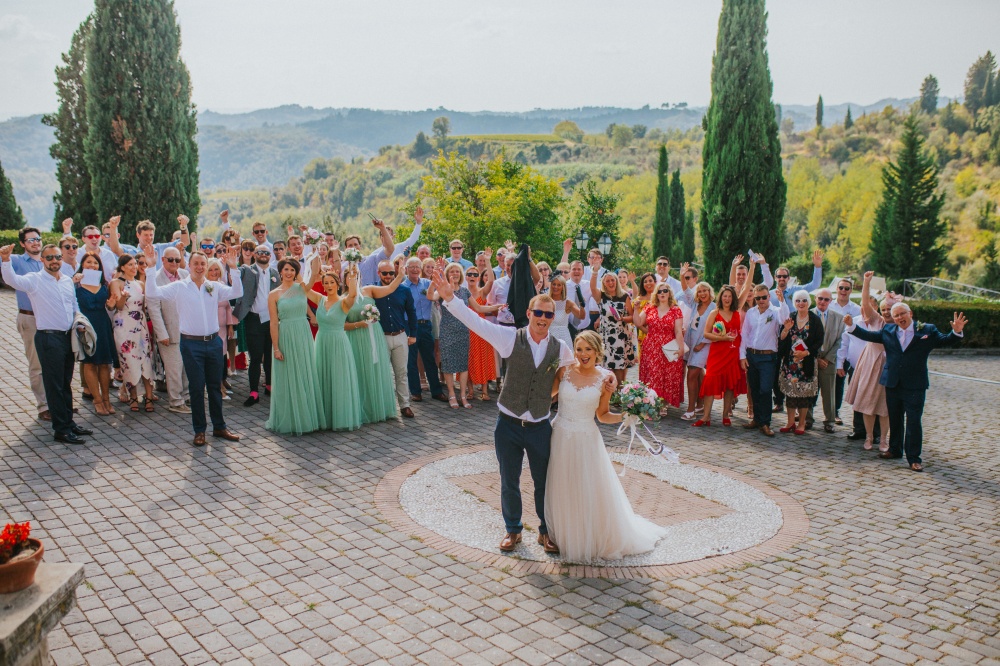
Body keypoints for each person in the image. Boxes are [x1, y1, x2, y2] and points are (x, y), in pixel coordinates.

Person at [432, 270, 575, 555]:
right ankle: (513, 530)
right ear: (529, 312)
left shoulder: (562, 349)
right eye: (538, 313)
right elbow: (476, 323)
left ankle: (546, 532)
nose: (543, 319)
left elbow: (579, 373)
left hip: (539, 425)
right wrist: (451, 300)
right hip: (508, 424)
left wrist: (605, 378)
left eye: (548, 315)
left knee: (543, 482)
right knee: (509, 480)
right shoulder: (511, 337)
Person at [544, 330, 666, 562]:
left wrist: (627, 416)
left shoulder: (605, 379)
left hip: (586, 439)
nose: (583, 354)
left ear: (597, 351)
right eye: (579, 349)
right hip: (559, 435)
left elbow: (602, 415)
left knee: (587, 488)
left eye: (588, 349)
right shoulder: (565, 371)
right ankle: (561, 533)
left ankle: (587, 535)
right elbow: (546, 396)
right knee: (562, 485)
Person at [846, 303, 966, 472]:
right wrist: (851, 325)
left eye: (903, 314)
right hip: (892, 382)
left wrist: (956, 331)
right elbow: (868, 335)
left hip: (915, 384)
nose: (900, 318)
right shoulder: (888, 331)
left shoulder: (927, 330)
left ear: (910, 313)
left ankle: (914, 458)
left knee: (914, 421)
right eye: (896, 316)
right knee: (895, 418)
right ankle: (894, 449)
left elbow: (945, 340)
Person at [143, 245, 243, 446]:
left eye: (203, 264)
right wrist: (150, 268)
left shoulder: (213, 286)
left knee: (215, 387)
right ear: (188, 265)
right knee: (197, 389)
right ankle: (199, 431)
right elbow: (153, 294)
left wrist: (234, 268)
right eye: (196, 263)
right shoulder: (179, 286)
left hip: (214, 342)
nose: (199, 267)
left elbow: (236, 292)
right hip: (191, 344)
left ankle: (219, 427)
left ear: (207, 266)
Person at [1, 243, 93, 444]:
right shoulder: (34, 280)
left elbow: (72, 304)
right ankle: (61, 429)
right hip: (48, 338)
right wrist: (6, 260)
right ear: (42, 260)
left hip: (68, 336)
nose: (54, 261)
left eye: (57, 257)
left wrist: (78, 321)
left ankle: (69, 422)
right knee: (54, 385)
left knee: (66, 383)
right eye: (49, 258)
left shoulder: (67, 281)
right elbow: (12, 280)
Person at [264, 258, 326, 435]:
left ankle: (308, 415)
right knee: (290, 374)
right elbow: (274, 323)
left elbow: (314, 274)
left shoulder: (302, 288)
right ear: (280, 272)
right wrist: (276, 347)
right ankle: (291, 417)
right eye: (286, 269)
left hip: (303, 333)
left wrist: (315, 252)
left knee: (305, 371)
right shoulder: (273, 294)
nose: (289, 272)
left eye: (292, 269)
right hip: (286, 335)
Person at [429, 262, 499, 408]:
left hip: (463, 331)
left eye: (457, 271)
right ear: (447, 274)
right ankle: (452, 395)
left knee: (463, 365)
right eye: (452, 271)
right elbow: (430, 296)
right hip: (447, 331)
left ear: (460, 275)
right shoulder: (443, 290)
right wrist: (435, 279)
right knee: (448, 364)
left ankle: (463, 396)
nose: (455, 273)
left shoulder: (465, 292)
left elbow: (479, 307)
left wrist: (498, 307)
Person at [345, 257, 405, 424]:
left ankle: (379, 408)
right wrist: (358, 324)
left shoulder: (369, 290)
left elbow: (391, 288)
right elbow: (342, 323)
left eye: (356, 276)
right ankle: (360, 408)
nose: (353, 279)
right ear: (344, 279)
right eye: (350, 276)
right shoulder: (343, 298)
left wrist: (400, 275)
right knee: (358, 371)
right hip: (354, 338)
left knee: (376, 369)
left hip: (374, 335)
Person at [303, 267, 363, 431]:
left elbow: (353, 295)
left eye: (332, 282)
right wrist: (312, 269)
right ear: (322, 285)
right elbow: (304, 288)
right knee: (322, 375)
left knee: (338, 376)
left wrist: (352, 278)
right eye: (326, 283)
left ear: (337, 284)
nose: (329, 285)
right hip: (321, 341)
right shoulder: (320, 299)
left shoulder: (344, 302)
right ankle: (324, 416)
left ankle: (339, 417)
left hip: (338, 342)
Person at [695, 266, 754, 427]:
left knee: (729, 385)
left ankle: (725, 415)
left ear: (733, 298)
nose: (727, 299)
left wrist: (753, 266)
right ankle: (706, 417)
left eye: (729, 296)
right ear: (721, 298)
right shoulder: (715, 313)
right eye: (725, 296)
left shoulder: (737, 310)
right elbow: (706, 334)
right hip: (717, 353)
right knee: (711, 382)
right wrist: (722, 337)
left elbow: (747, 286)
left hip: (732, 354)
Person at [770, 251, 824, 412]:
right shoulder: (770, 295)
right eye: (779, 276)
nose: (781, 279)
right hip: (778, 335)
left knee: (799, 371)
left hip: (799, 333)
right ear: (775, 278)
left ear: (788, 278)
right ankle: (778, 400)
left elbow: (815, 284)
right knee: (777, 369)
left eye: (784, 276)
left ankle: (803, 408)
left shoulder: (797, 291)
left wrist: (817, 266)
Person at [844, 272, 893, 452]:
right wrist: (866, 282)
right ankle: (869, 436)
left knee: (884, 406)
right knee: (866, 402)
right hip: (871, 362)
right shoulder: (876, 321)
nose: (886, 312)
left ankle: (883, 440)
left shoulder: (899, 326)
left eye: (890, 309)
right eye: (884, 309)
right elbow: (865, 304)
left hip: (889, 367)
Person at [7, 227, 50, 420]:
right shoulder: (16, 261)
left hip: (51, 318)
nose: (35, 242)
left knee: (54, 362)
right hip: (30, 318)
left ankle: (57, 402)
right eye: (31, 240)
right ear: (23, 244)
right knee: (37, 364)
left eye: (38, 239)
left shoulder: (48, 261)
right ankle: (44, 407)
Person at [739, 284, 789, 437]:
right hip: (751, 355)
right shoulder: (751, 313)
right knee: (754, 389)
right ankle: (757, 419)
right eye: (758, 297)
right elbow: (745, 334)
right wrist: (742, 356)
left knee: (766, 390)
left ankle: (766, 423)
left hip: (768, 356)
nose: (761, 300)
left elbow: (784, 318)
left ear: (769, 296)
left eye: (764, 297)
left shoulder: (775, 311)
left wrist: (782, 301)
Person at [146, 247, 191, 414]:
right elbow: (153, 308)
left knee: (186, 366)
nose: (174, 263)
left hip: (188, 331)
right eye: (170, 260)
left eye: (177, 260)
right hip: (169, 332)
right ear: (163, 260)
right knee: (174, 369)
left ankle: (186, 396)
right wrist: (162, 333)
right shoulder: (156, 278)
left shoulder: (185, 275)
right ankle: (176, 401)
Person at [109, 254, 156, 413]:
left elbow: (143, 308)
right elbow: (119, 306)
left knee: (145, 360)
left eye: (135, 264)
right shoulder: (116, 283)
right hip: (124, 324)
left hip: (139, 324)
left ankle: (149, 396)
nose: (134, 267)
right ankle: (133, 396)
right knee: (128, 361)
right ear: (122, 267)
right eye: (130, 264)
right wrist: (123, 297)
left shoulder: (140, 284)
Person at [233, 245, 279, 407]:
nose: (263, 255)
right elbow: (236, 274)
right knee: (255, 357)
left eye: (266, 252)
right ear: (254, 254)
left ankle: (269, 385)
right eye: (260, 252)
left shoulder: (275, 273)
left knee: (270, 355)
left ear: (270, 255)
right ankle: (253, 392)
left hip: (272, 320)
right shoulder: (247, 270)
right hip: (253, 319)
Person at [72, 252, 117, 416]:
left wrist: (111, 305)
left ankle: (106, 399)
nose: (92, 265)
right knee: (90, 363)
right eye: (88, 262)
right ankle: (96, 400)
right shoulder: (75, 284)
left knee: (104, 363)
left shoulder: (104, 284)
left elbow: (110, 306)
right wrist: (72, 282)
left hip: (102, 324)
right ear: (82, 264)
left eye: (95, 263)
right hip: (85, 325)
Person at [374, 259, 418, 418]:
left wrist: (413, 334)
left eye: (391, 273)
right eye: (384, 273)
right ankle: (384, 406)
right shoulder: (373, 289)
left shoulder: (404, 290)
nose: (388, 276)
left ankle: (405, 405)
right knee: (382, 373)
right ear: (378, 273)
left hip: (400, 336)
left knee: (401, 372)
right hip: (380, 336)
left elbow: (412, 312)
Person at [777, 290, 824, 435]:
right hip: (791, 363)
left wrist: (807, 352)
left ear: (808, 302)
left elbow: (819, 340)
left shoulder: (815, 320)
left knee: (804, 395)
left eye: (804, 300)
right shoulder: (790, 317)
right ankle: (790, 422)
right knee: (790, 393)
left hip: (806, 362)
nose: (801, 303)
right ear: (794, 303)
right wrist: (786, 329)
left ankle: (802, 423)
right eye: (798, 301)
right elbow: (782, 338)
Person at [402, 257, 446, 404]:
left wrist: (440, 270)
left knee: (430, 359)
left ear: (421, 269)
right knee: (411, 360)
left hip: (426, 325)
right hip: (410, 326)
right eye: (412, 266)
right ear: (406, 269)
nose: (415, 269)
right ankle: (415, 392)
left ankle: (437, 391)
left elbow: (441, 288)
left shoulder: (427, 284)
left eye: (417, 267)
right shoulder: (402, 286)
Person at [635, 283, 686, 410]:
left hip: (669, 346)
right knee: (653, 374)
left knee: (667, 374)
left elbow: (678, 331)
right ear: (656, 294)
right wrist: (636, 309)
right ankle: (652, 402)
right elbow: (638, 322)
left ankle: (663, 404)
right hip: (651, 346)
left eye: (665, 291)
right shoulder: (649, 308)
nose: (662, 293)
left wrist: (680, 348)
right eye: (659, 291)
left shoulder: (676, 309)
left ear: (669, 293)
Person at [589, 268, 635, 384]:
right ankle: (608, 395)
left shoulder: (625, 296)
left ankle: (620, 394)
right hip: (606, 336)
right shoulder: (601, 296)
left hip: (620, 336)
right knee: (606, 367)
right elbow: (593, 287)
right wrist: (594, 271)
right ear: (604, 283)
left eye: (613, 280)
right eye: (607, 281)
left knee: (619, 367)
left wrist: (622, 318)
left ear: (616, 281)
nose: (610, 283)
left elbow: (632, 316)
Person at [810, 288, 845, 432]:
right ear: (815, 299)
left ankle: (829, 421)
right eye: (820, 298)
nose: (822, 302)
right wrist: (816, 358)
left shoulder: (838, 317)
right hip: (811, 359)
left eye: (826, 299)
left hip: (829, 360)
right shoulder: (808, 314)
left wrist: (828, 358)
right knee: (809, 390)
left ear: (831, 301)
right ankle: (807, 419)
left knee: (829, 392)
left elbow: (840, 340)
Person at [465, 265, 500, 401]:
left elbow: (491, 281)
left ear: (478, 278)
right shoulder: (462, 292)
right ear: (466, 277)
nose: (472, 277)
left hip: (481, 330)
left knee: (483, 358)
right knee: (469, 359)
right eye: (470, 274)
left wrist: (487, 261)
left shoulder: (482, 292)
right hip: (467, 330)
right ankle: (470, 390)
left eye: (475, 275)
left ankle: (485, 391)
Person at [830, 277, 862, 425]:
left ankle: (843, 414)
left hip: (849, 351)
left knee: (847, 383)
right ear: (837, 289)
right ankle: (829, 412)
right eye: (841, 288)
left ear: (851, 290)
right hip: (831, 348)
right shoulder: (829, 304)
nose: (843, 291)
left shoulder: (856, 309)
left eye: (847, 288)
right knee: (829, 383)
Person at [681, 281, 715, 421]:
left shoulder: (714, 308)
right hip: (690, 341)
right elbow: (686, 291)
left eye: (704, 291)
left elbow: (716, 328)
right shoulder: (695, 304)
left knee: (692, 374)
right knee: (699, 372)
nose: (702, 294)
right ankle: (700, 404)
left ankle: (690, 410)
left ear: (710, 291)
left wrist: (703, 343)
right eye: (699, 291)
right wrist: (683, 275)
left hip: (704, 345)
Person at [344, 214, 395, 286]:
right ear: (346, 249)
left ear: (360, 246)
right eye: (350, 245)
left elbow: (390, 249)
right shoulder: (343, 267)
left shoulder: (372, 260)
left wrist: (382, 228)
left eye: (355, 244)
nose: (353, 248)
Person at [545, 276, 585, 351]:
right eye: (554, 284)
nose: (556, 287)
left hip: (563, 337)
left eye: (559, 285)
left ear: (563, 287)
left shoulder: (567, 302)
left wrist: (582, 305)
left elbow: (581, 316)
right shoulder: (546, 301)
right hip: (547, 336)